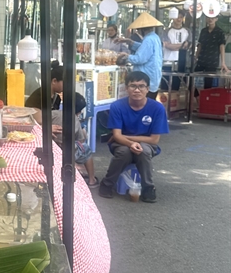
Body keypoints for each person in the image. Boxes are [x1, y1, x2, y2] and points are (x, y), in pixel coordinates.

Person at [98, 71, 169, 203]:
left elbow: (154, 140)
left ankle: (148, 188)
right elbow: (117, 136)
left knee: (144, 151)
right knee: (124, 152)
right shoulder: (117, 106)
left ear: (148, 89)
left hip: (146, 143)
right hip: (122, 143)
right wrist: (130, 143)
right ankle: (107, 184)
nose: (137, 90)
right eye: (133, 86)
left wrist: (125, 137)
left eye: (141, 86)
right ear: (126, 88)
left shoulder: (157, 108)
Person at [51, 92, 99, 188]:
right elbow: (81, 140)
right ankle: (92, 180)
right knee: (86, 149)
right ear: (79, 111)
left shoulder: (54, 113)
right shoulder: (75, 120)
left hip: (52, 146)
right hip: (67, 150)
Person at [118, 12, 163, 100]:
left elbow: (140, 59)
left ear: (142, 30)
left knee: (143, 104)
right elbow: (144, 49)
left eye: (138, 30)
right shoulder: (154, 37)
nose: (138, 32)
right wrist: (130, 42)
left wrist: (127, 56)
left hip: (145, 78)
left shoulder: (148, 40)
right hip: (153, 78)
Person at [195, 14, 229, 89]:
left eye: (213, 18)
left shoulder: (219, 32)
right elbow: (200, 45)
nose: (210, 19)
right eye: (209, 17)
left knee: (208, 83)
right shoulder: (203, 31)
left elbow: (222, 46)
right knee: (192, 78)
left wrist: (223, 62)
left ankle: (205, 96)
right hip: (201, 60)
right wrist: (196, 57)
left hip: (212, 61)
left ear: (216, 19)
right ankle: (196, 94)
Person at [161, 9, 191, 91]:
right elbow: (168, 46)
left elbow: (188, 46)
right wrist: (182, 45)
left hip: (181, 63)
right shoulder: (166, 31)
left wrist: (175, 46)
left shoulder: (187, 31)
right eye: (177, 17)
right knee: (165, 88)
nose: (179, 19)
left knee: (176, 88)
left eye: (181, 17)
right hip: (168, 62)